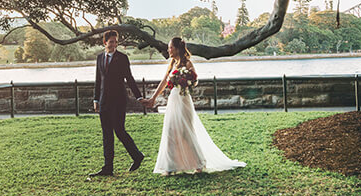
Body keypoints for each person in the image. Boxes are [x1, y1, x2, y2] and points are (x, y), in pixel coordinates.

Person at [142, 37, 246, 176]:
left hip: (184, 99)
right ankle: (170, 166)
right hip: (173, 99)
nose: (168, 50)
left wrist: (185, 81)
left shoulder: (187, 63)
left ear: (177, 48)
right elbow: (164, 82)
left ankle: (199, 164)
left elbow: (195, 81)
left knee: (186, 131)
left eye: (170, 47)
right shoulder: (172, 63)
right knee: (171, 130)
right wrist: (153, 98)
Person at [91, 29, 145, 177]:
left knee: (119, 131)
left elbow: (129, 78)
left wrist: (139, 97)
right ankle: (108, 168)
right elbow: (98, 80)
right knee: (106, 134)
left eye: (115, 42)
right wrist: (96, 99)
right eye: (111, 42)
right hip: (103, 101)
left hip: (119, 101)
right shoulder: (99, 58)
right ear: (105, 43)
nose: (114, 45)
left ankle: (137, 156)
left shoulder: (122, 58)